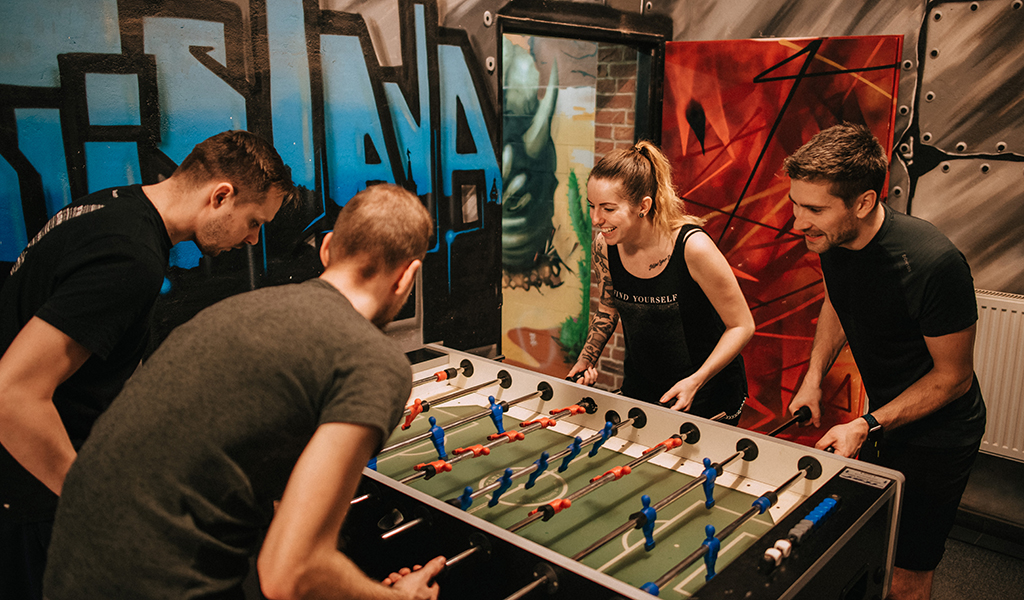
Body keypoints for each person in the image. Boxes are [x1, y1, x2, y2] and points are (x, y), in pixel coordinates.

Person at [44, 184, 445, 600]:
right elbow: (290, 575)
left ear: (326, 250)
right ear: (407, 277)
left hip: (66, 575)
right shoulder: (373, 360)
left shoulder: (236, 310)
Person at [0, 129, 295, 598]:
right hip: (36, 498)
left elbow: (98, 365)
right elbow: (11, 394)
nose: (253, 240)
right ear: (221, 196)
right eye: (254, 221)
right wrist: (94, 505)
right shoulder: (130, 257)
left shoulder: (109, 208)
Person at [785, 123, 986, 600]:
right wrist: (814, 378)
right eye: (796, 204)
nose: (798, 223)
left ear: (864, 202)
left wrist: (867, 424)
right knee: (867, 551)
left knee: (904, 577)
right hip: (879, 422)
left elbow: (953, 379)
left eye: (813, 209)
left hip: (938, 437)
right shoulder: (832, 242)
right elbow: (838, 302)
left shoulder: (933, 263)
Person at [567, 141, 755, 425]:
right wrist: (586, 360)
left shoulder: (693, 247)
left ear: (643, 206)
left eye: (607, 208)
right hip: (642, 389)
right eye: (592, 206)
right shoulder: (605, 246)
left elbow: (742, 326)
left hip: (706, 395)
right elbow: (608, 307)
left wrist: (695, 381)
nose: (596, 219)